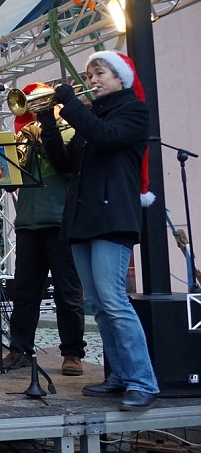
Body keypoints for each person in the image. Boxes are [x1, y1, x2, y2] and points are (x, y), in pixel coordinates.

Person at [39, 50, 159, 410]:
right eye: (90, 74)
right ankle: (119, 376)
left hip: (112, 219)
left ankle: (143, 380)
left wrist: (71, 105)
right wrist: (47, 121)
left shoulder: (133, 111)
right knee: (101, 306)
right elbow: (64, 164)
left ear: (120, 77)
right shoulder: (90, 117)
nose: (92, 80)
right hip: (83, 221)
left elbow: (107, 137)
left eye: (99, 73)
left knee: (114, 301)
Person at [5, 83, 86, 376]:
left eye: (40, 103)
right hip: (28, 223)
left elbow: (66, 168)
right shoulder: (23, 137)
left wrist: (44, 138)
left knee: (68, 292)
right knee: (25, 292)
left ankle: (73, 353)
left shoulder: (70, 131)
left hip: (62, 222)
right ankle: (20, 348)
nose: (35, 109)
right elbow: (9, 180)